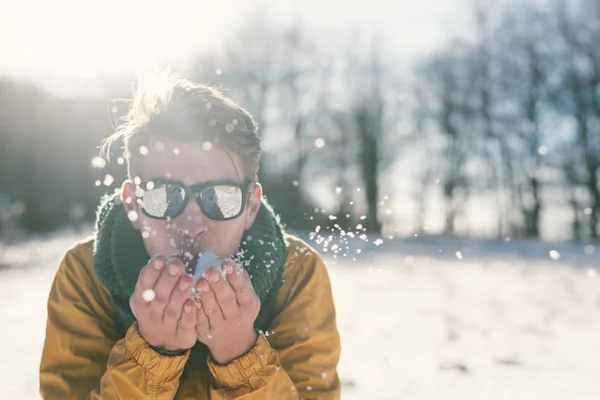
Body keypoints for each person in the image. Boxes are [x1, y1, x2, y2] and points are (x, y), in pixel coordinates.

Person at [39, 73, 341, 399]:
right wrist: (152, 357)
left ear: (251, 206)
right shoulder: (86, 275)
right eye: (164, 196)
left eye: (220, 197)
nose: (191, 224)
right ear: (133, 205)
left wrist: (240, 355)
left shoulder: (295, 274)